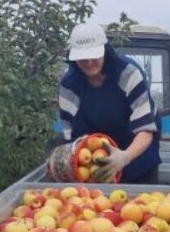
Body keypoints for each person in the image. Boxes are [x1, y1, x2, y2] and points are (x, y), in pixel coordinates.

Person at [57, 23, 161, 183]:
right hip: (96, 159)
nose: (89, 62)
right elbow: (71, 137)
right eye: (83, 57)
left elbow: (146, 129)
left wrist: (125, 157)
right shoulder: (69, 86)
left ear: (105, 50)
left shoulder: (128, 73)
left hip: (137, 151)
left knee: (139, 203)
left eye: (94, 55)